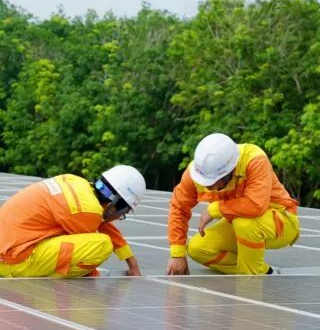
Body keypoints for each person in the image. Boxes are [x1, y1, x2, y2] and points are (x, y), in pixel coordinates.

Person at [167, 133, 300, 275]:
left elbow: (256, 205)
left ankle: (249, 284)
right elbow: (179, 208)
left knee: (244, 223)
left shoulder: (254, 159)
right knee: (197, 248)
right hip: (239, 222)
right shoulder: (196, 173)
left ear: (229, 172)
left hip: (282, 222)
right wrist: (177, 254)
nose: (207, 186)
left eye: (212, 181)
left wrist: (215, 209)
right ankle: (265, 272)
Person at [0, 165, 146, 278]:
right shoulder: (87, 212)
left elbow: (103, 224)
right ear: (113, 207)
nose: (119, 218)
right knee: (102, 245)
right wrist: (93, 278)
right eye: (123, 214)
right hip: (14, 261)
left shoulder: (77, 184)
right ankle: (44, 280)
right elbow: (85, 255)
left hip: (8, 249)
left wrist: (131, 262)